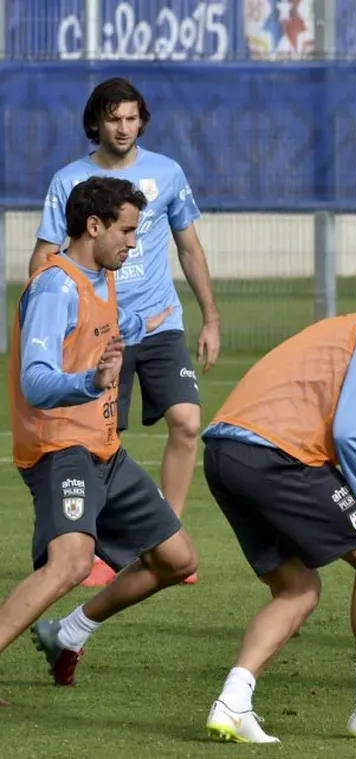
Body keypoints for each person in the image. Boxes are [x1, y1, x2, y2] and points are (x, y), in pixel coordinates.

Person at [200, 262, 356, 743]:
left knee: (297, 588)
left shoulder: (350, 326)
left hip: (223, 453)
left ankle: (232, 704)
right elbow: (353, 433)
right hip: (274, 454)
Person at [2, 176, 199, 696]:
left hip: (105, 452)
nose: (134, 243)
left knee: (178, 560)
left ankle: (69, 633)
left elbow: (107, 327)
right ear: (94, 226)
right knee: (71, 562)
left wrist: (143, 322)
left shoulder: (101, 278)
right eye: (127, 231)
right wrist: (90, 381)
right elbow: (35, 381)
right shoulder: (54, 286)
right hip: (60, 449)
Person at [31, 77, 219, 587]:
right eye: (114, 118)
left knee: (186, 421)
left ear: (143, 121)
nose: (123, 127)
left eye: (132, 118)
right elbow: (45, 256)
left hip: (158, 322)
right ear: (96, 122)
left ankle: (165, 538)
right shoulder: (68, 180)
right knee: (96, 442)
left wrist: (211, 317)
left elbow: (189, 248)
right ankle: (84, 543)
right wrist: (43, 316)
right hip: (97, 331)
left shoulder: (168, 173)